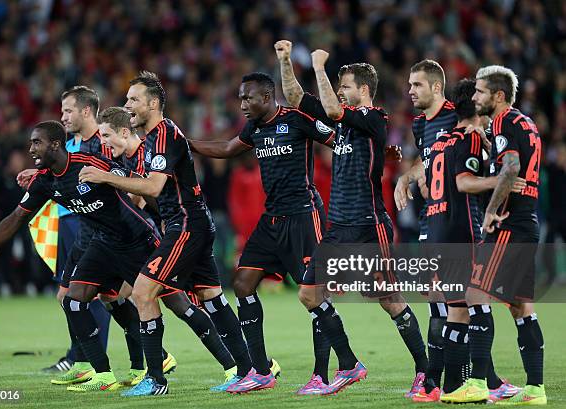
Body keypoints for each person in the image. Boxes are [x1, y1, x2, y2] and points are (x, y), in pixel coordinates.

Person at [79, 72, 251, 396]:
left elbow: (153, 187)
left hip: (185, 225)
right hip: (192, 223)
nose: (127, 104)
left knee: (142, 292)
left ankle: (156, 380)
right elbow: (144, 192)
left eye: (134, 99)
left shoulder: (163, 135)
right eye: (127, 99)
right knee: (212, 298)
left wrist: (106, 178)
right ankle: (247, 371)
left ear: (153, 103)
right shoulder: (151, 140)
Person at [0, 120, 159, 392]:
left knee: (179, 301)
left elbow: (140, 185)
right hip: (102, 243)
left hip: (136, 238)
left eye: (36, 142)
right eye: (31, 143)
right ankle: (103, 375)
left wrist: (167, 222)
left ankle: (233, 367)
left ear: (55, 144)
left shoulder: (88, 162)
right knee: (73, 299)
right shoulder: (44, 181)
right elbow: (18, 216)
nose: (31, 149)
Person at [277, 40, 427, 395]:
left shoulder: (373, 119)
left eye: (345, 87)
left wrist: (318, 68)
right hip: (338, 226)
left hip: (368, 226)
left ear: (363, 90)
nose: (340, 93)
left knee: (389, 300)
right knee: (309, 294)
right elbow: (297, 98)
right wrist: (285, 61)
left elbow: (330, 108)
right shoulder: (342, 124)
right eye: (338, 86)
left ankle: (424, 370)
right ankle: (348, 364)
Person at [189, 71, 334, 393]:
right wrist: (185, 144)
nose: (242, 104)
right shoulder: (255, 126)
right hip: (272, 220)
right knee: (242, 283)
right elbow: (228, 148)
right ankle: (261, 370)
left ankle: (322, 375)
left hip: (302, 217)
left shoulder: (298, 119)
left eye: (247, 97)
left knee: (313, 295)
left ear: (267, 97)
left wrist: (376, 152)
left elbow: (338, 140)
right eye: (240, 97)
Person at [442, 65, 547, 405]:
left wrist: (490, 210)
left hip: (509, 223)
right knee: (520, 306)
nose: (474, 97)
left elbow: (512, 166)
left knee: (475, 294)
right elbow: (512, 160)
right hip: (526, 222)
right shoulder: (525, 123)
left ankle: (477, 383)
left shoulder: (503, 121)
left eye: (480, 92)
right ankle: (535, 389)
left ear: (498, 96)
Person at [414, 79, 522, 403]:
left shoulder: (440, 141)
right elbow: (464, 183)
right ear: (476, 107)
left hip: (437, 231)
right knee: (478, 306)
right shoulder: (469, 139)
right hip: (462, 233)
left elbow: (428, 186)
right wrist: (503, 180)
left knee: (455, 312)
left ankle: (451, 387)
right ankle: (481, 384)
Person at [394, 60, 459, 396]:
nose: (410, 91)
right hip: (429, 218)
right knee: (438, 301)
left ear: (436, 87)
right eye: (409, 84)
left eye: (417, 85)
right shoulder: (420, 125)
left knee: (460, 303)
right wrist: (407, 177)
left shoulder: (458, 114)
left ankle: (450, 380)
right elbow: (427, 160)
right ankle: (438, 380)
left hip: (457, 219)